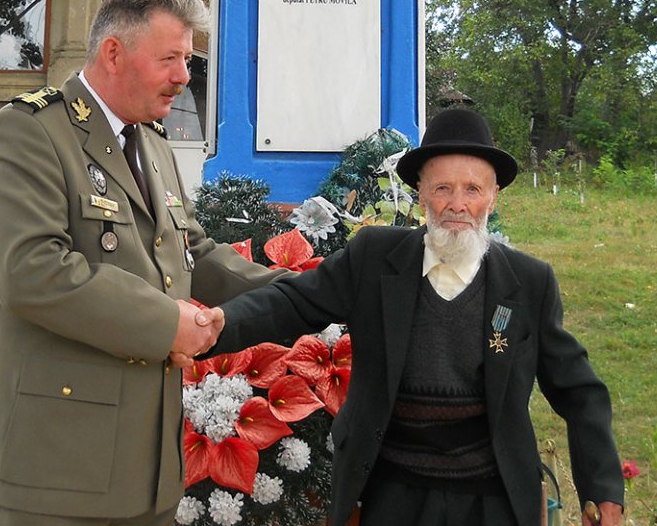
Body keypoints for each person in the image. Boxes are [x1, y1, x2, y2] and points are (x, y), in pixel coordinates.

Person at [194, 107, 625, 526]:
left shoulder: (530, 283)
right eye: (443, 189)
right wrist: (220, 324)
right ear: (420, 193)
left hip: (493, 497)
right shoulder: (374, 258)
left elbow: (579, 391)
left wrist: (602, 487)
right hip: (389, 491)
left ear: (493, 197)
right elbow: (291, 302)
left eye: (473, 190)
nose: (457, 205)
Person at [0, 0, 285, 526]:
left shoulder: (154, 145)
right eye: (170, 58)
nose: (184, 77)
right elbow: (32, 271)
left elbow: (192, 252)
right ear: (114, 53)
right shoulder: (31, 131)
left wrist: (299, 292)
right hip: (58, 470)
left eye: (187, 59)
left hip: (146, 470)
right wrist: (168, 322)